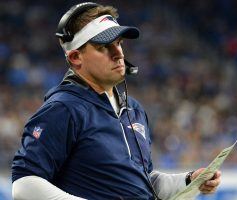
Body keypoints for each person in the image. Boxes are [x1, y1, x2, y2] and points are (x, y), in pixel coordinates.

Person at [11, 2, 221, 200]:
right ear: (75, 57)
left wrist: (188, 180)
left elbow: (143, 181)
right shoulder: (64, 108)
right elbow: (24, 184)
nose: (118, 53)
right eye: (104, 47)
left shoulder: (133, 108)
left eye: (119, 43)